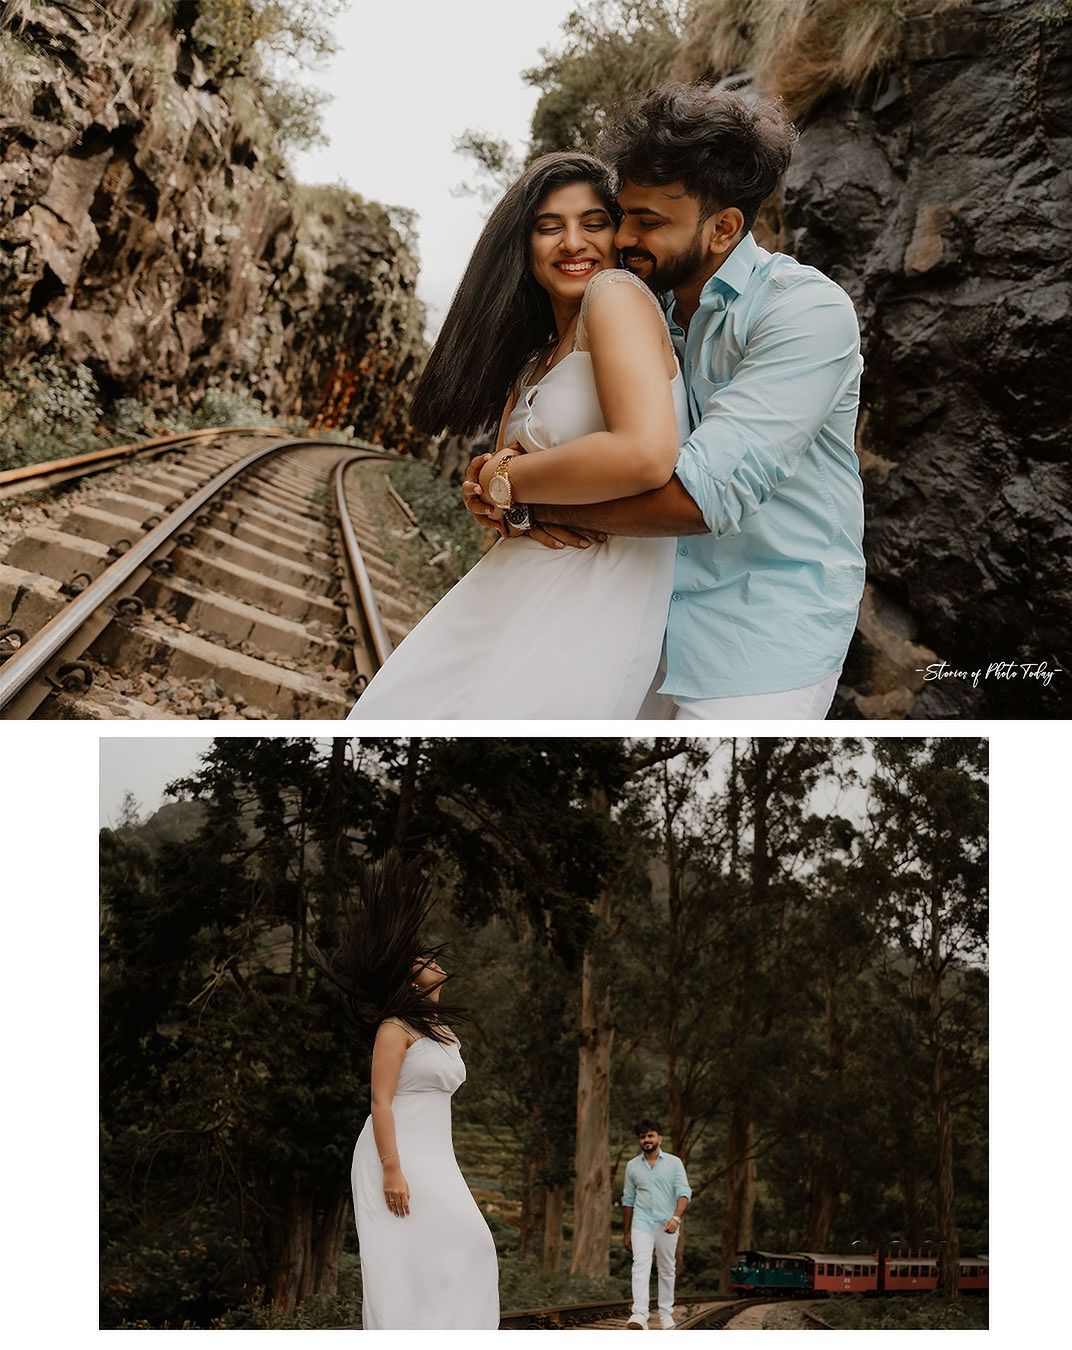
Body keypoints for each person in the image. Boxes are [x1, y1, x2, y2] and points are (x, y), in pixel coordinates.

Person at [465, 83, 866, 720]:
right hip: (628, 615)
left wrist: (516, 494)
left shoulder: (805, 313)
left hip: (758, 640)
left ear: (724, 228)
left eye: (649, 222)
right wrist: (502, 479)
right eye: (622, 213)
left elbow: (700, 497)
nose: (621, 237)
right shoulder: (633, 307)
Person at [347, 150, 690, 719]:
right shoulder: (535, 359)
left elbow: (645, 454)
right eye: (548, 227)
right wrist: (490, 490)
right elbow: (519, 490)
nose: (572, 243)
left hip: (586, 606)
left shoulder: (616, 295)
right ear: (523, 246)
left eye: (593, 223)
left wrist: (501, 479)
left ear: (619, 234)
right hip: (512, 589)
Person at [317, 854, 499, 1329]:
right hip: (393, 1152)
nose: (432, 961)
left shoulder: (442, 1031)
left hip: (438, 1154)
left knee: (472, 1244)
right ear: (408, 979)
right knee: (402, 1261)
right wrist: (392, 1169)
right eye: (421, 960)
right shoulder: (394, 1028)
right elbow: (380, 1101)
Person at [621, 1120, 692, 1330]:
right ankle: (639, 1315)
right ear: (639, 1141)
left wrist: (676, 1218)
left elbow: (684, 1193)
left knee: (667, 1268)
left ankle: (665, 1314)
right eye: (642, 1137)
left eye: (650, 1135)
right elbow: (628, 1199)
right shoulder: (632, 1165)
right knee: (640, 1266)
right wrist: (626, 1233)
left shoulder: (674, 1163)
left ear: (659, 1138)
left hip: (667, 1223)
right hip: (641, 1223)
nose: (647, 1140)